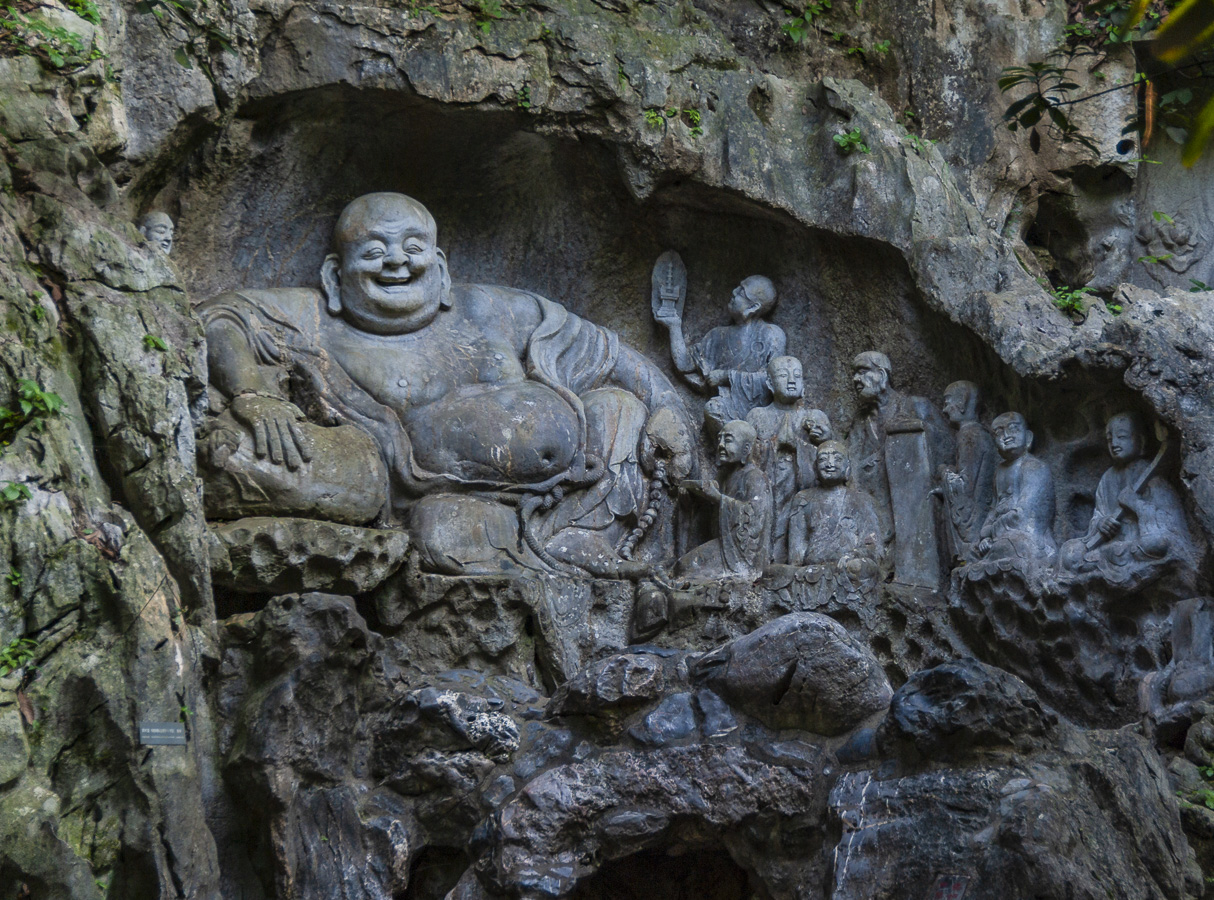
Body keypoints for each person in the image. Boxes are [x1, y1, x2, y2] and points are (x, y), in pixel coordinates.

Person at [197, 192, 694, 575]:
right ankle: (532, 545)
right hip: (441, 499)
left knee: (619, 407)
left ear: (440, 266)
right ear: (334, 275)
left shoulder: (494, 308)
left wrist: (668, 406)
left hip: (582, 479)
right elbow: (218, 316)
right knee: (439, 532)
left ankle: (588, 539)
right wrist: (253, 394)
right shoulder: (314, 317)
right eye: (374, 251)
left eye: (412, 248)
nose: (396, 261)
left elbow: (609, 353)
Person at [1056, 412, 1200, 593]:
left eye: (1122, 437)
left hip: (1139, 544)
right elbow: (1098, 516)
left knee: (1156, 544)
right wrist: (1101, 523)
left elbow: (1169, 523)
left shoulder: (1150, 477)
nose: (1115, 444)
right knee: (1069, 552)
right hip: (1112, 546)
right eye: (1110, 440)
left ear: (1141, 441)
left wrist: (1136, 504)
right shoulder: (1107, 479)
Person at [846, 350, 949, 588]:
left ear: (881, 376)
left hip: (914, 503)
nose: (855, 380)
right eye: (854, 374)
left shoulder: (915, 406)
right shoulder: (862, 420)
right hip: (874, 505)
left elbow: (945, 446)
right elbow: (849, 461)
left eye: (862, 372)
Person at [654, 273, 786, 428]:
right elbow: (684, 364)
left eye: (741, 292)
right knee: (713, 409)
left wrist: (726, 377)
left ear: (753, 307)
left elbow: (774, 379)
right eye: (738, 286)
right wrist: (674, 326)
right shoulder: (717, 336)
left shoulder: (772, 335)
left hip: (761, 413)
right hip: (724, 410)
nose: (734, 292)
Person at [745, 356, 824, 562]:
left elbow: (832, 461)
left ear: (803, 384)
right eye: (783, 375)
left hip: (802, 489)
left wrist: (808, 445)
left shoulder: (815, 417)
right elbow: (746, 459)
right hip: (768, 488)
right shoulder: (757, 416)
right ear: (770, 384)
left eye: (797, 376)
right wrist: (774, 446)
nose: (791, 380)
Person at [676, 420, 773, 578]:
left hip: (739, 554)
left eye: (728, 440)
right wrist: (691, 500)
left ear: (746, 449)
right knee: (682, 566)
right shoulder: (723, 476)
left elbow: (755, 519)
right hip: (724, 544)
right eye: (719, 439)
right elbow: (709, 517)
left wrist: (719, 499)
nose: (720, 445)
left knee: (686, 567)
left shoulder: (755, 477)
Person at [971, 412, 1057, 574]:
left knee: (1007, 545)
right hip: (1001, 534)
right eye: (998, 433)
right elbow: (993, 509)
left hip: (1030, 538)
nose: (1006, 436)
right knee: (972, 552)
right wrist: (984, 538)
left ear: (1028, 437)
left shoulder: (1034, 467)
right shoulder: (999, 471)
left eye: (1013, 429)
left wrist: (989, 532)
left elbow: (1025, 515)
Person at [787, 440, 883, 573]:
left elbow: (874, 547)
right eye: (823, 459)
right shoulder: (803, 499)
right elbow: (797, 550)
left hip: (848, 569)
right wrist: (796, 569)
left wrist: (853, 555)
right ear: (815, 468)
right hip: (811, 570)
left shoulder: (862, 500)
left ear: (847, 467)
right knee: (774, 573)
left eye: (837, 459)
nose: (829, 464)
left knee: (859, 568)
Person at [937, 380, 996, 563]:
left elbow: (964, 488)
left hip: (973, 526)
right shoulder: (979, 433)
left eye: (947, 402)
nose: (945, 410)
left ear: (961, 402)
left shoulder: (969, 435)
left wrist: (943, 471)